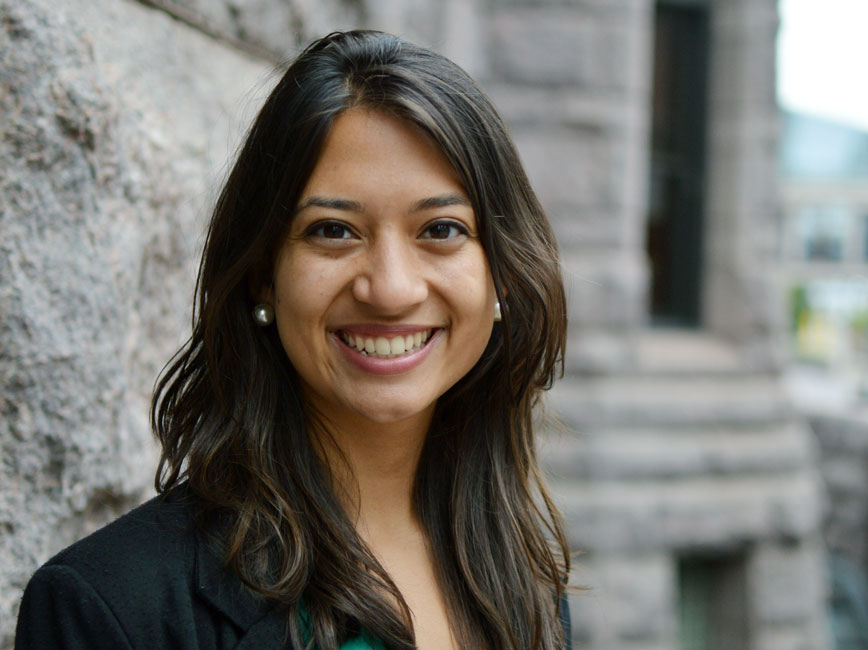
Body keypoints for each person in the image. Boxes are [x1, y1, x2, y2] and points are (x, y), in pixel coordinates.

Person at [15, 30, 571, 650]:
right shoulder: (109, 608)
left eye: (441, 228)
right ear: (262, 278)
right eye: (333, 230)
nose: (390, 289)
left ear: (501, 272)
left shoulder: (526, 584)